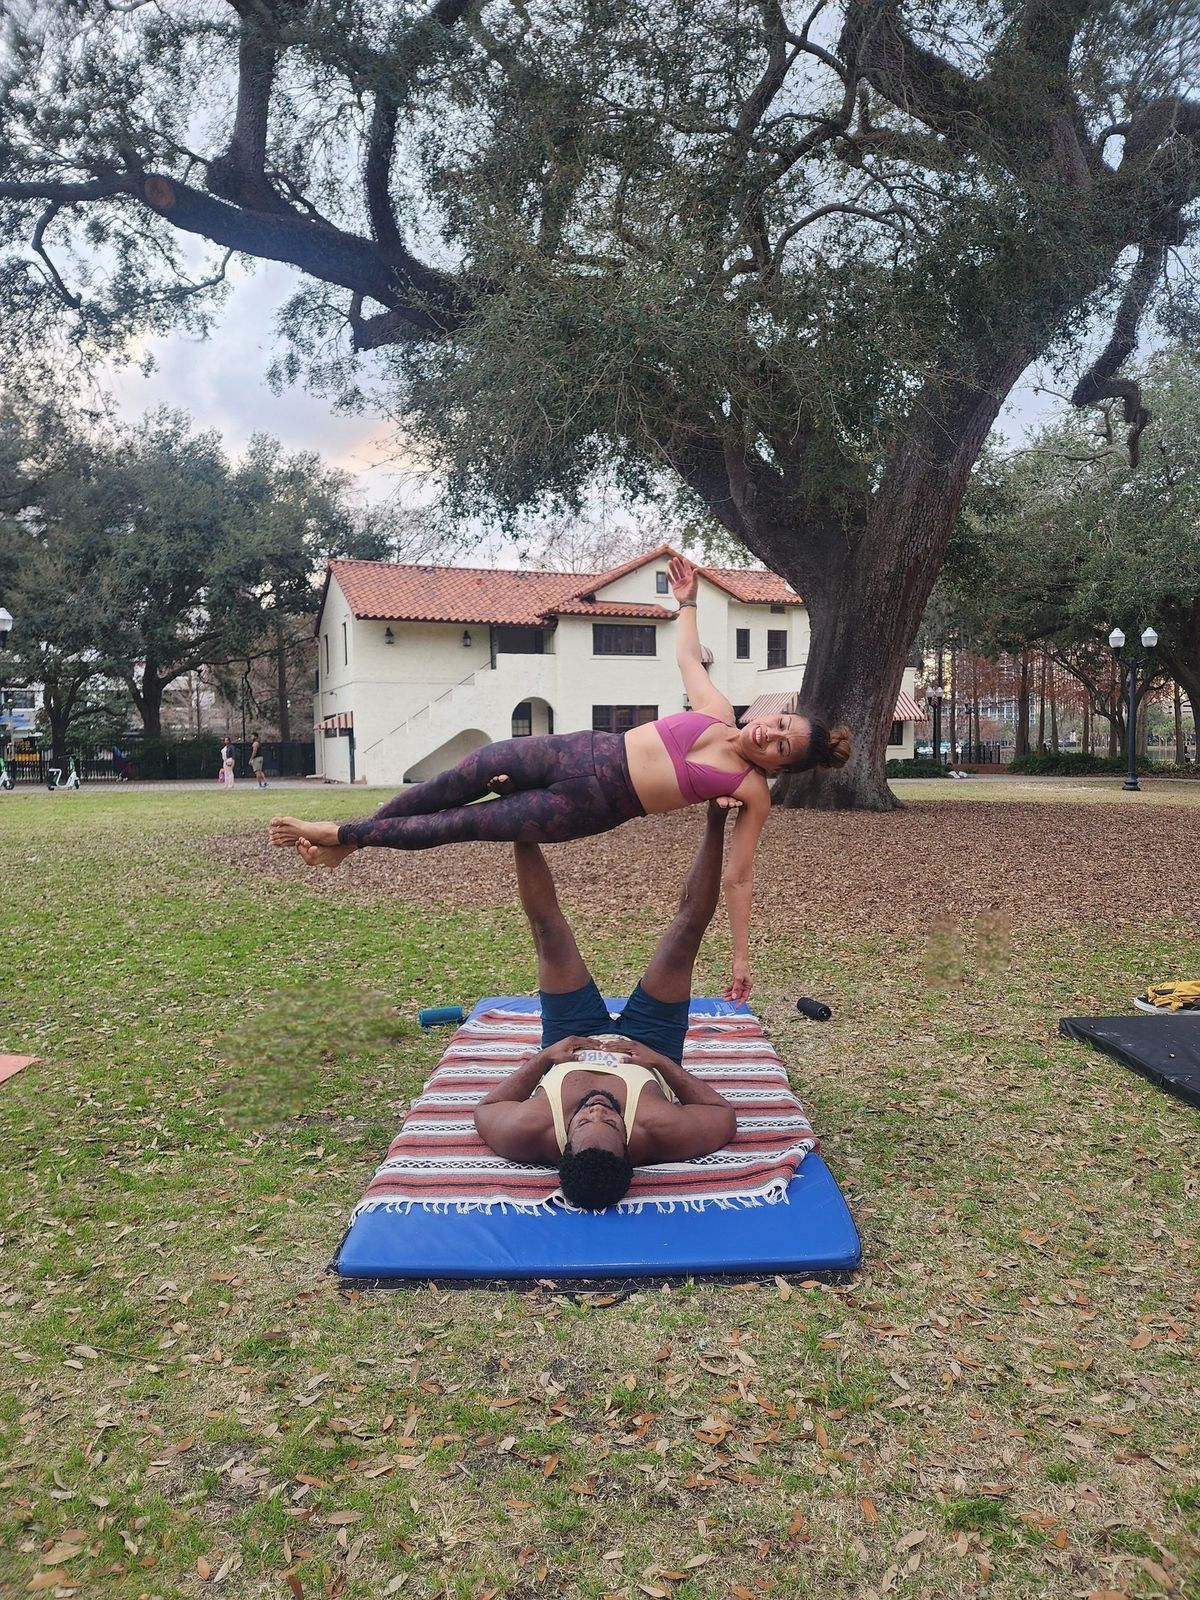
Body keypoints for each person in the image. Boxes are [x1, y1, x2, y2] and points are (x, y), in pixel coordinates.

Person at [270, 554, 850, 1001]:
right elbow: (688, 661)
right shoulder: (719, 712)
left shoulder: (748, 792)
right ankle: (350, 842)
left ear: (779, 768)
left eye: (780, 747)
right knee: (456, 778)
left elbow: (740, 879)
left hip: (591, 805)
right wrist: (688, 602)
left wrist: (742, 957)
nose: (769, 736)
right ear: (775, 713)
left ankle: (341, 836)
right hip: (571, 750)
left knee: (463, 823)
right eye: (779, 724)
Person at [473, 802, 738, 1210]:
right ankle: (716, 819)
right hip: (649, 1044)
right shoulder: (660, 1131)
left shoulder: (529, 1130)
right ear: (630, 1148)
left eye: (583, 1120)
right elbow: (723, 1113)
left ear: (563, 1144)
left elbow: (486, 1108)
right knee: (685, 936)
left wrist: (547, 1057)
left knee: (548, 932)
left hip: (568, 1041)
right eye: (611, 1121)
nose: (597, 1111)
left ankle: (520, 818)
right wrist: (661, 1063)